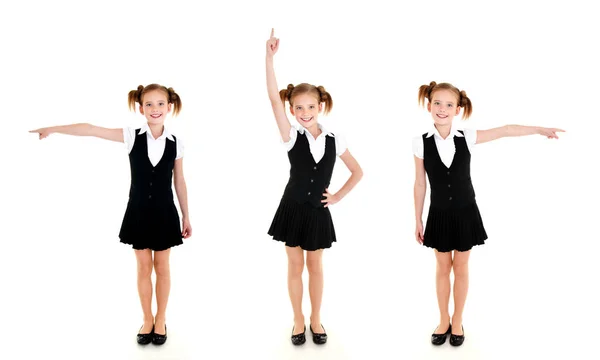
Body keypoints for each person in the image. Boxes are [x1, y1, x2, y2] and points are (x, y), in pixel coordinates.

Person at [29, 83, 192, 346]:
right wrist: (53, 128)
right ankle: (147, 319)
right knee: (143, 267)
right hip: (138, 212)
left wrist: (186, 215)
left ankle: (161, 319)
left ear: (169, 107)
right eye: (149, 104)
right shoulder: (131, 135)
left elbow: (180, 181)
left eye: (160, 104)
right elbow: (92, 129)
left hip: (165, 214)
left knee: (163, 268)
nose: (155, 109)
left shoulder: (176, 142)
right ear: (141, 108)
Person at [413, 81, 564, 346]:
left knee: (460, 267)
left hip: (464, 212)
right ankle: (443, 320)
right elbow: (420, 183)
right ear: (429, 105)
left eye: (449, 104)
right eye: (437, 103)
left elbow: (505, 130)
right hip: (438, 214)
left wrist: (540, 129)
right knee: (441, 267)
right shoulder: (420, 142)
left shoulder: (466, 137)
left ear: (458, 109)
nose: (442, 109)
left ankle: (457, 320)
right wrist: (417, 218)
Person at [265, 29, 363, 346]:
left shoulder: (336, 139)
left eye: (309, 107)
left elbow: (357, 171)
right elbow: (271, 97)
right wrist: (269, 57)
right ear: (292, 110)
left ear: (320, 106)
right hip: (292, 209)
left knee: (316, 267)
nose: (304, 114)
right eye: (298, 109)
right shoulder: (292, 137)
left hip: (318, 210)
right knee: (295, 266)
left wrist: (336, 196)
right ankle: (297, 320)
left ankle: (316, 319)